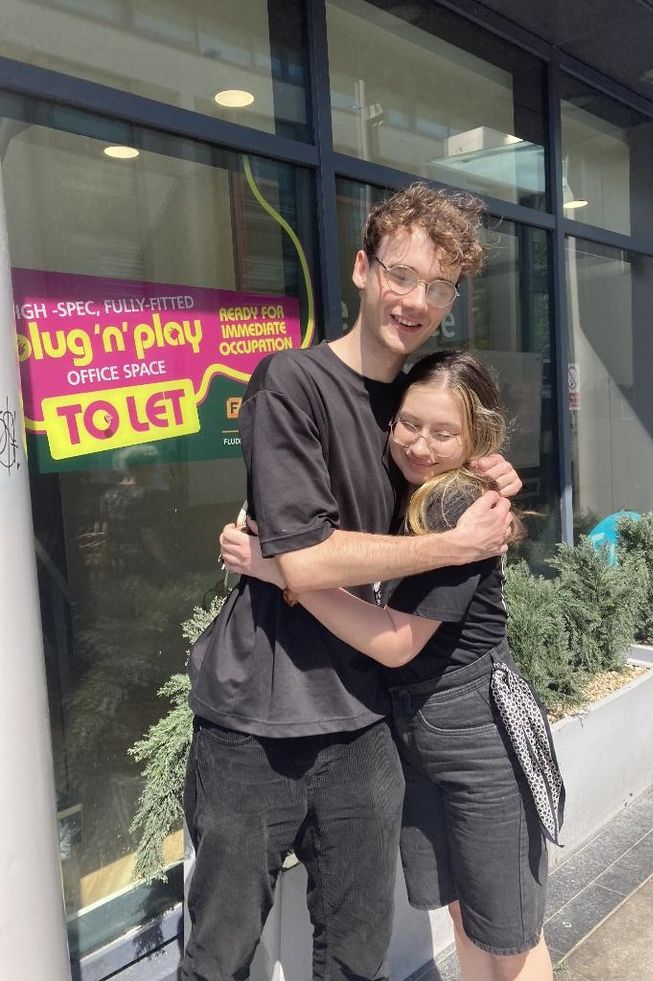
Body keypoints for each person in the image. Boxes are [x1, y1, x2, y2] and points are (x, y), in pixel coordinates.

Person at [183, 183, 521, 981]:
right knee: (221, 955)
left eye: (438, 287)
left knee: (357, 956)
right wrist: (446, 548)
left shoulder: (415, 408)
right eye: (401, 275)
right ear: (364, 270)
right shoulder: (291, 382)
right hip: (253, 725)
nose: (416, 300)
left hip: (367, 720)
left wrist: (488, 475)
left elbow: (453, 484)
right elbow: (306, 560)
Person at [244, 351, 557, 981]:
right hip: (418, 729)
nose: (420, 444)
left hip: (478, 731)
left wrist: (281, 570)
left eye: (444, 434)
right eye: (409, 424)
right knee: (468, 914)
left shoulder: (454, 506)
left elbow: (394, 643)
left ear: (475, 439)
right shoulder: (408, 493)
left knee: (510, 931)